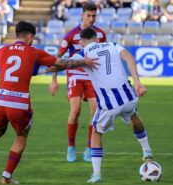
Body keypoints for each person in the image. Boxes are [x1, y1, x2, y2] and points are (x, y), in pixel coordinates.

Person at [0, 21, 98, 184]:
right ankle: (6, 176)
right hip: (19, 102)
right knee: (21, 135)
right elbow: (62, 63)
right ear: (30, 36)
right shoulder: (34, 52)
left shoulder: (2, 50)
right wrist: (84, 61)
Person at [45, 27, 154, 183]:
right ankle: (147, 150)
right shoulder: (113, 45)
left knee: (96, 132)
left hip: (109, 103)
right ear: (97, 38)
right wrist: (137, 82)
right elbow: (129, 57)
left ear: (82, 42)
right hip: (129, 96)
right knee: (133, 116)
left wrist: (46, 69)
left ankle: (96, 174)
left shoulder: (83, 53)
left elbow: (66, 64)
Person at [49, 1, 106, 163]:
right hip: (74, 74)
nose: (92, 19)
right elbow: (58, 58)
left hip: (93, 77)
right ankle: (71, 148)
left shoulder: (100, 35)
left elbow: (102, 56)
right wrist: (54, 79)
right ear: (82, 15)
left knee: (95, 113)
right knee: (75, 110)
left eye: (94, 16)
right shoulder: (71, 35)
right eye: (89, 15)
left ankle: (89, 148)